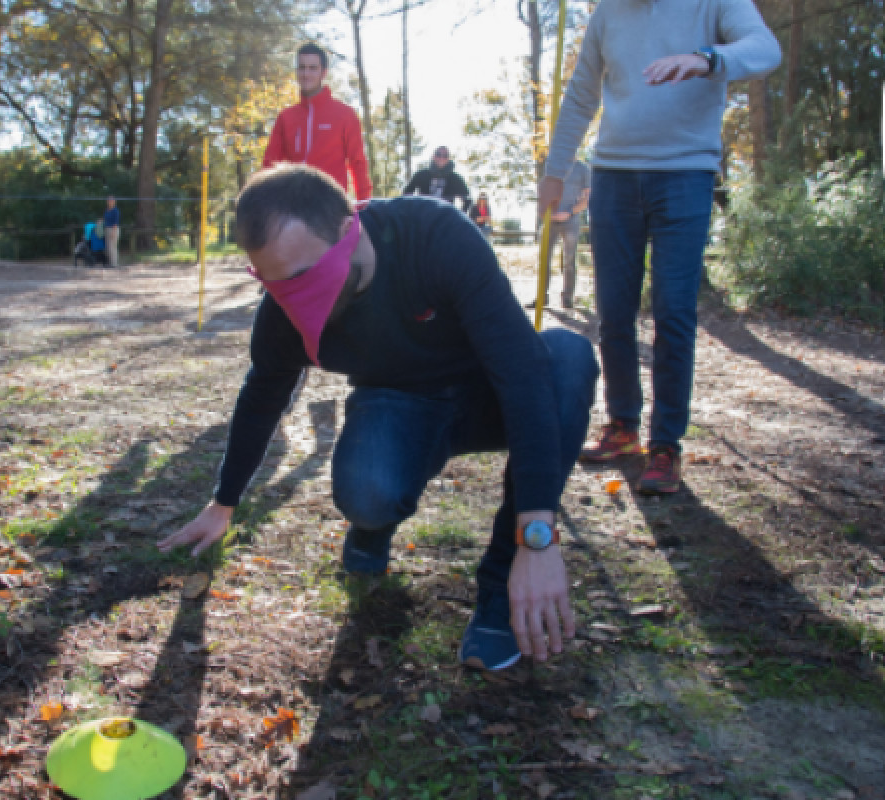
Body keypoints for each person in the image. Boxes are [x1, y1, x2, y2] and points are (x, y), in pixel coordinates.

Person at [158, 165, 599, 670]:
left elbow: (521, 376)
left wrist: (536, 538)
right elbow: (262, 396)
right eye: (271, 283)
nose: (291, 300)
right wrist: (223, 502)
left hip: (488, 393)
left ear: (350, 229)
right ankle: (374, 523)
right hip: (396, 403)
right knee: (367, 493)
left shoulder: (433, 234)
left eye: (304, 278)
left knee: (567, 358)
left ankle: (502, 585)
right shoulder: (282, 302)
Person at [538, 0, 780, 495]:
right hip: (613, 178)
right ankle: (623, 426)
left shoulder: (716, 4)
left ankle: (665, 444)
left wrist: (707, 59)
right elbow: (582, 95)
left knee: (672, 312)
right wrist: (555, 170)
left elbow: (765, 49)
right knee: (613, 313)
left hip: (686, 175)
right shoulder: (608, 14)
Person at [262, 43, 372, 202]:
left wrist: (365, 204)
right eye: (302, 67)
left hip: (332, 207)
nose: (306, 73)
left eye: (313, 68)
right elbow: (269, 166)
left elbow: (358, 162)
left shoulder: (345, 114)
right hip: (294, 207)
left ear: (324, 72)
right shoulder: (286, 117)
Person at [531, 159, 590, 310]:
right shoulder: (551, 166)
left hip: (570, 221)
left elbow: (587, 198)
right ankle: (541, 297)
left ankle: (567, 298)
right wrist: (544, 212)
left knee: (569, 260)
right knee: (544, 259)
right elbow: (541, 192)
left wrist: (569, 212)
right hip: (549, 220)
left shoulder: (583, 169)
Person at [402, 146, 471, 212]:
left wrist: (459, 216)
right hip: (423, 216)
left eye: (445, 155)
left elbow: (467, 198)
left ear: (448, 158)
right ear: (433, 156)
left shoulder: (455, 178)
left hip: (445, 218)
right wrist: (412, 211)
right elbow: (407, 194)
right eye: (438, 154)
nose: (441, 158)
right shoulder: (421, 175)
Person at [103, 195, 120, 268]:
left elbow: (115, 222)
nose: (109, 202)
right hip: (107, 229)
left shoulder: (115, 211)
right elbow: (105, 220)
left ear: (114, 202)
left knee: (112, 247)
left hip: (113, 229)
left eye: (111, 201)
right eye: (108, 201)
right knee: (108, 247)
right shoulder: (107, 210)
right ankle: (110, 263)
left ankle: (114, 264)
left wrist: (113, 231)